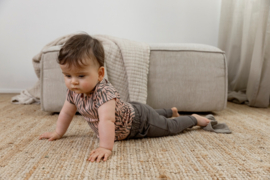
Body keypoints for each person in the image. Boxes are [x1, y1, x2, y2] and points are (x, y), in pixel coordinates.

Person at [39, 33, 211, 163]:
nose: (73, 82)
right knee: (153, 113)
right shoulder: (74, 92)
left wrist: (105, 147)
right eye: (67, 75)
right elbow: (66, 113)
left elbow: (107, 121)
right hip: (129, 109)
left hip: (139, 122)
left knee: (168, 127)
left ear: (100, 74)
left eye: (81, 76)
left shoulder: (104, 93)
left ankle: (193, 119)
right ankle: (169, 111)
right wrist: (58, 132)